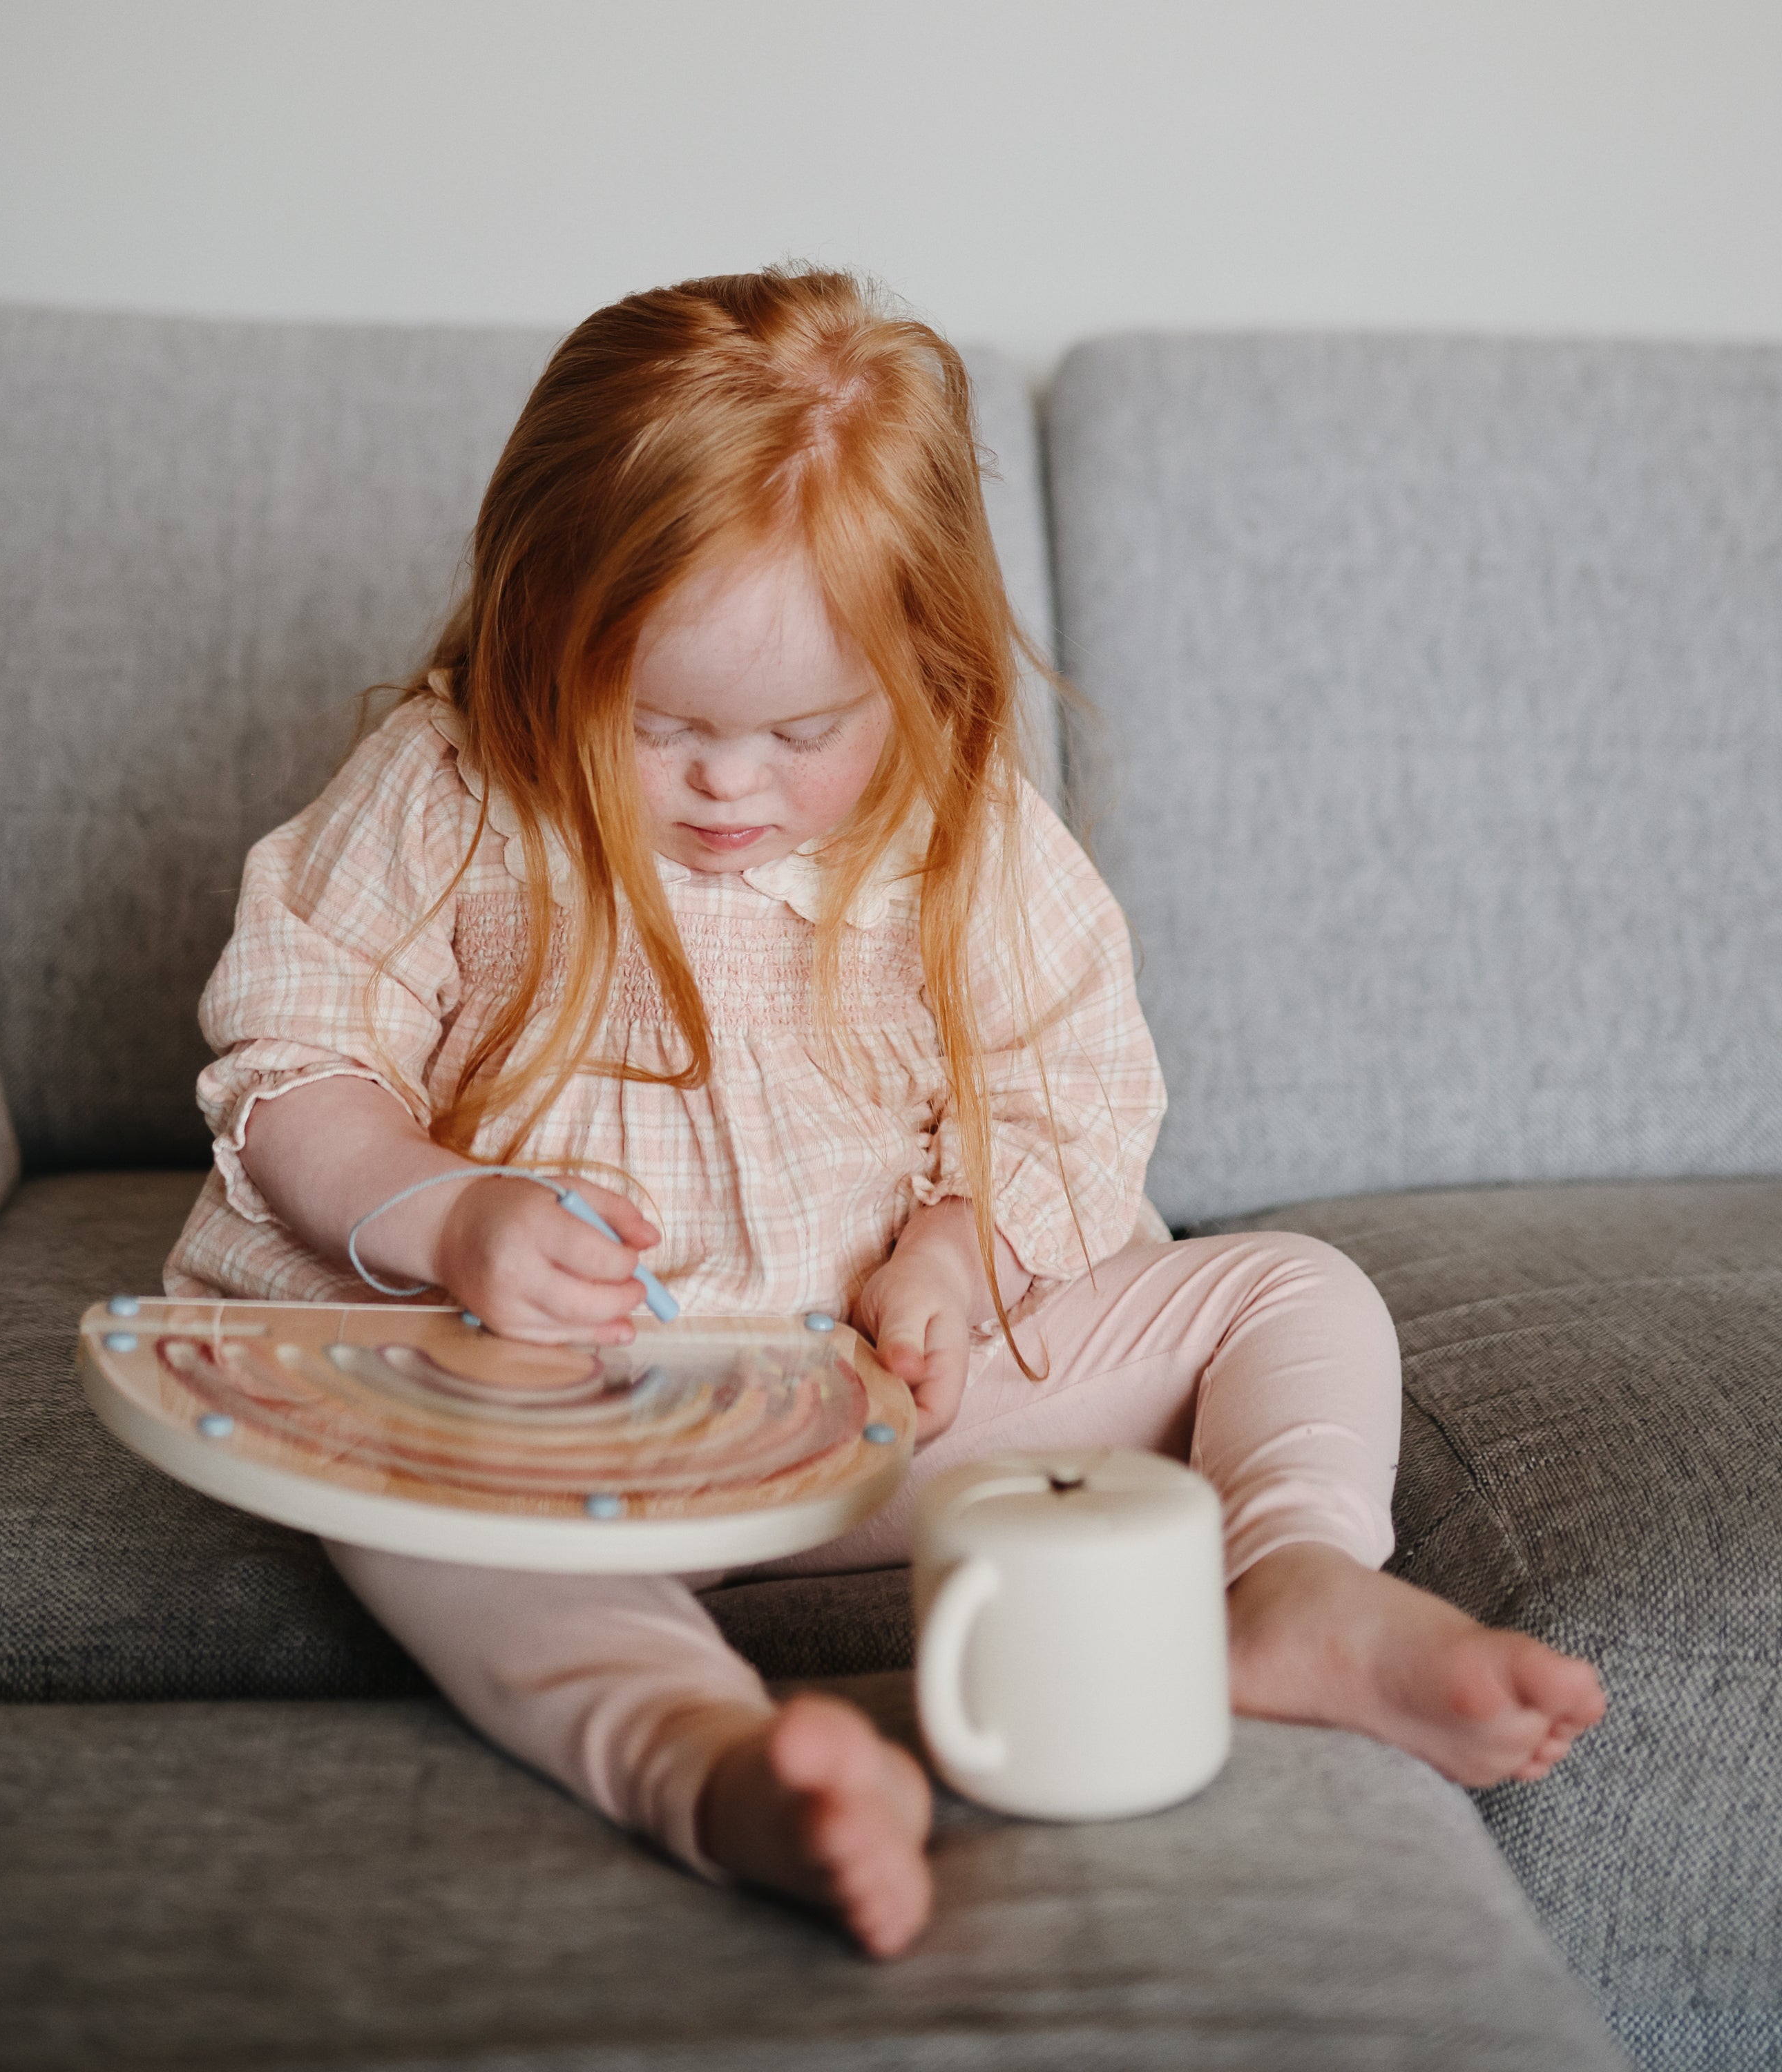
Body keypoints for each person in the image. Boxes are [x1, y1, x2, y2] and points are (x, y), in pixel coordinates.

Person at [165, 267, 1605, 1958]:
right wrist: (441, 1211)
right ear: (539, 627)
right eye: (657, 721)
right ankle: (719, 1768)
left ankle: (1287, 1586)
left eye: (803, 730)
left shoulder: (957, 829)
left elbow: (1069, 1087)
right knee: (414, 1529)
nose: (729, 784)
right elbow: (293, 1047)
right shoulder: (456, 787)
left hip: (894, 1412)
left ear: (918, 669)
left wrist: (953, 1252)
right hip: (559, 1426)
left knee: (1295, 1291)